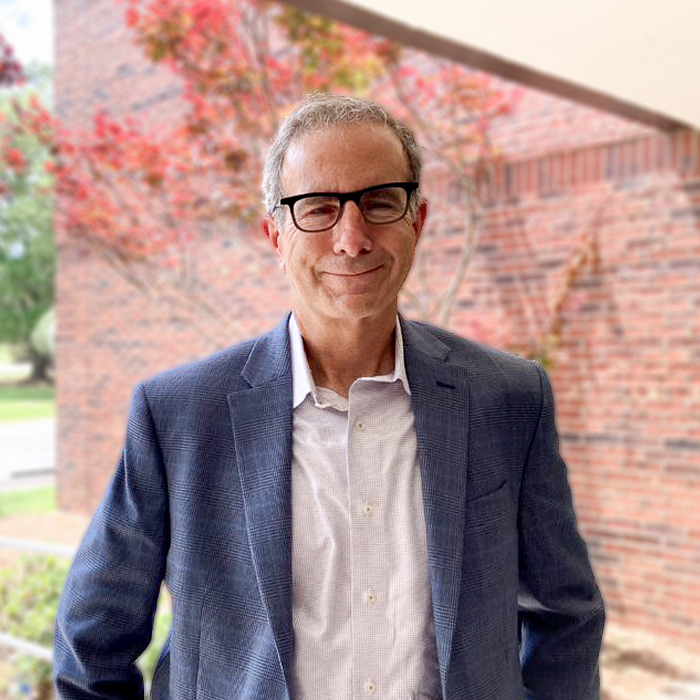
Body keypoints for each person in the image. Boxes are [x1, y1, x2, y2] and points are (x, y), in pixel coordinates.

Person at [54, 93, 605, 700]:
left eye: (379, 202)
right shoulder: (179, 415)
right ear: (276, 233)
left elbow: (565, 616)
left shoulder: (509, 399)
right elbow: (92, 644)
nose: (351, 237)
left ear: (417, 220)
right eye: (317, 208)